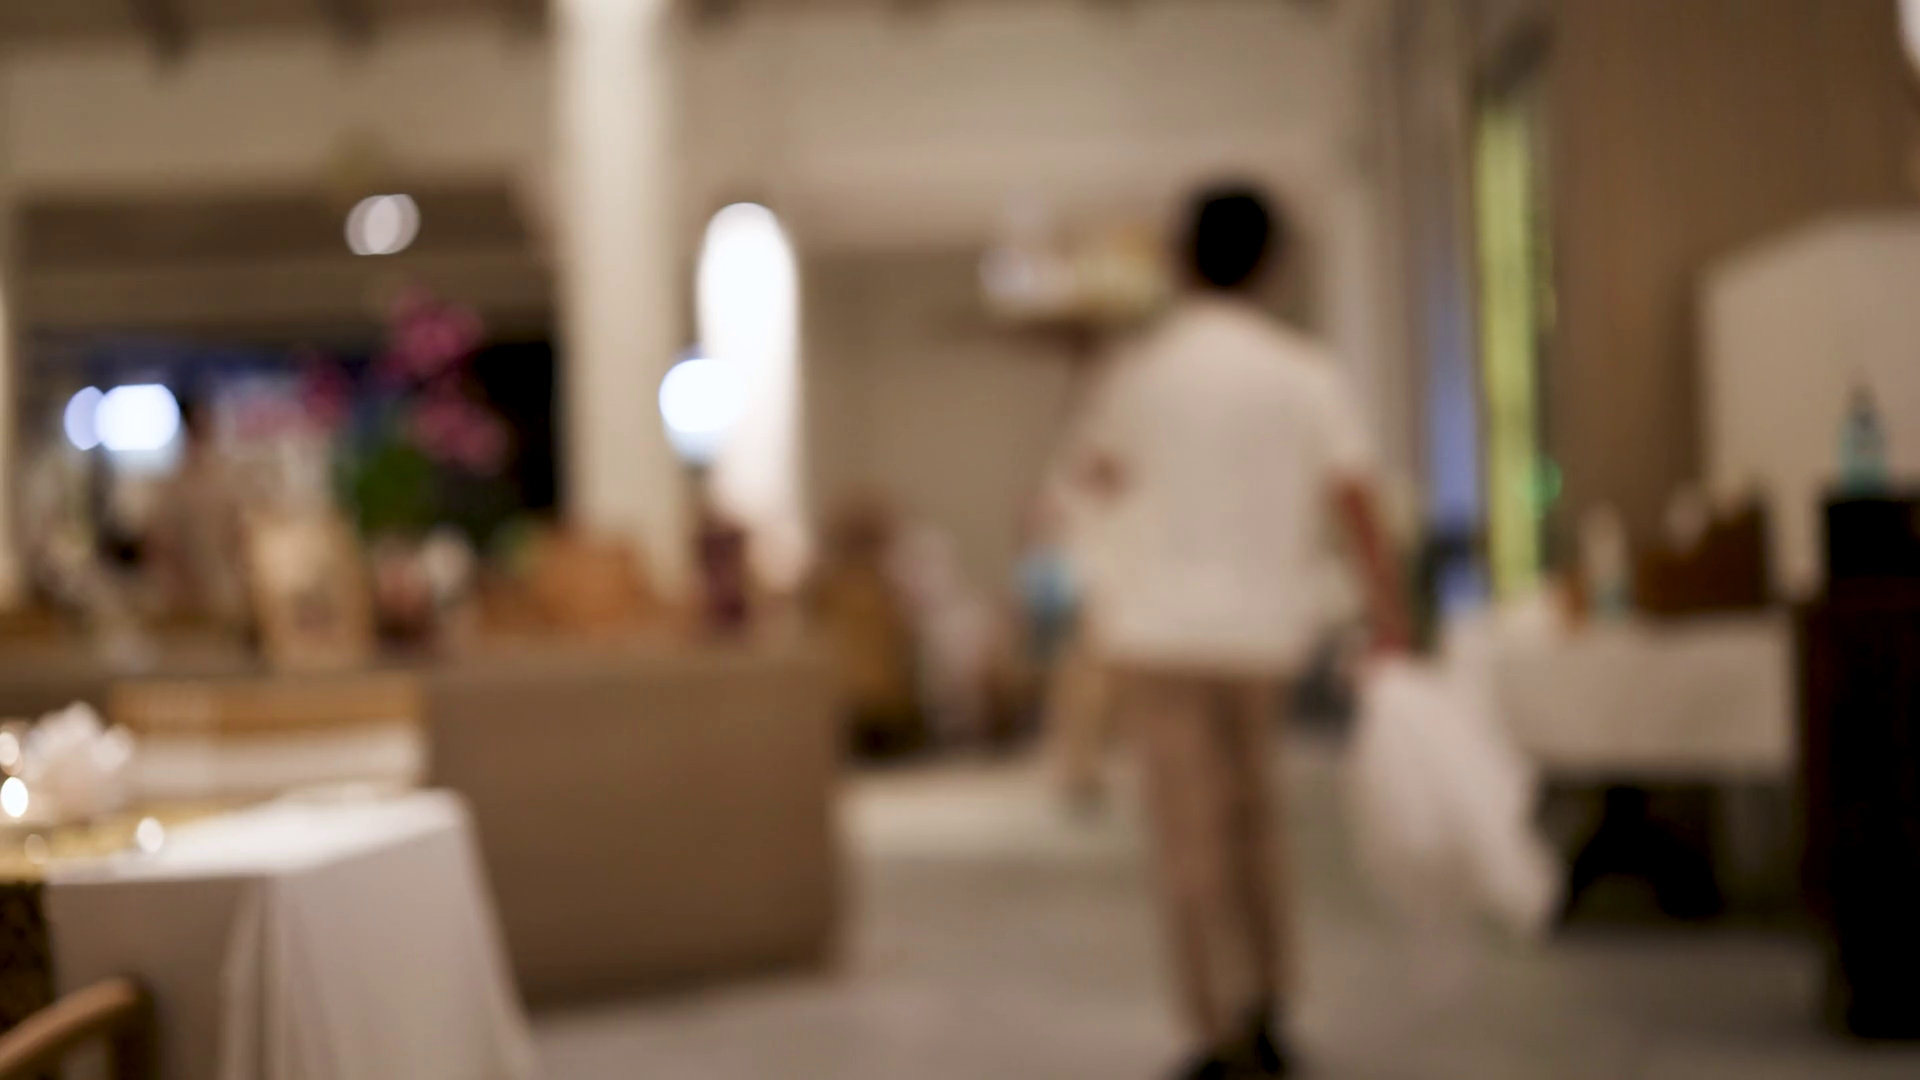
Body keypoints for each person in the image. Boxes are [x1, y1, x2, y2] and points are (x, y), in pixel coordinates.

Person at [1053, 186, 1409, 1079]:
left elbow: (1091, 481)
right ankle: (1270, 1007)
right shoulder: (1302, 372)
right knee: (1258, 822)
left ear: (1181, 259)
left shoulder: (1140, 373)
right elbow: (1355, 496)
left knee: (1189, 835)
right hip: (1263, 631)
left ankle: (1214, 1026)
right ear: (1271, 264)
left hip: (1159, 633)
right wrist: (1389, 610)